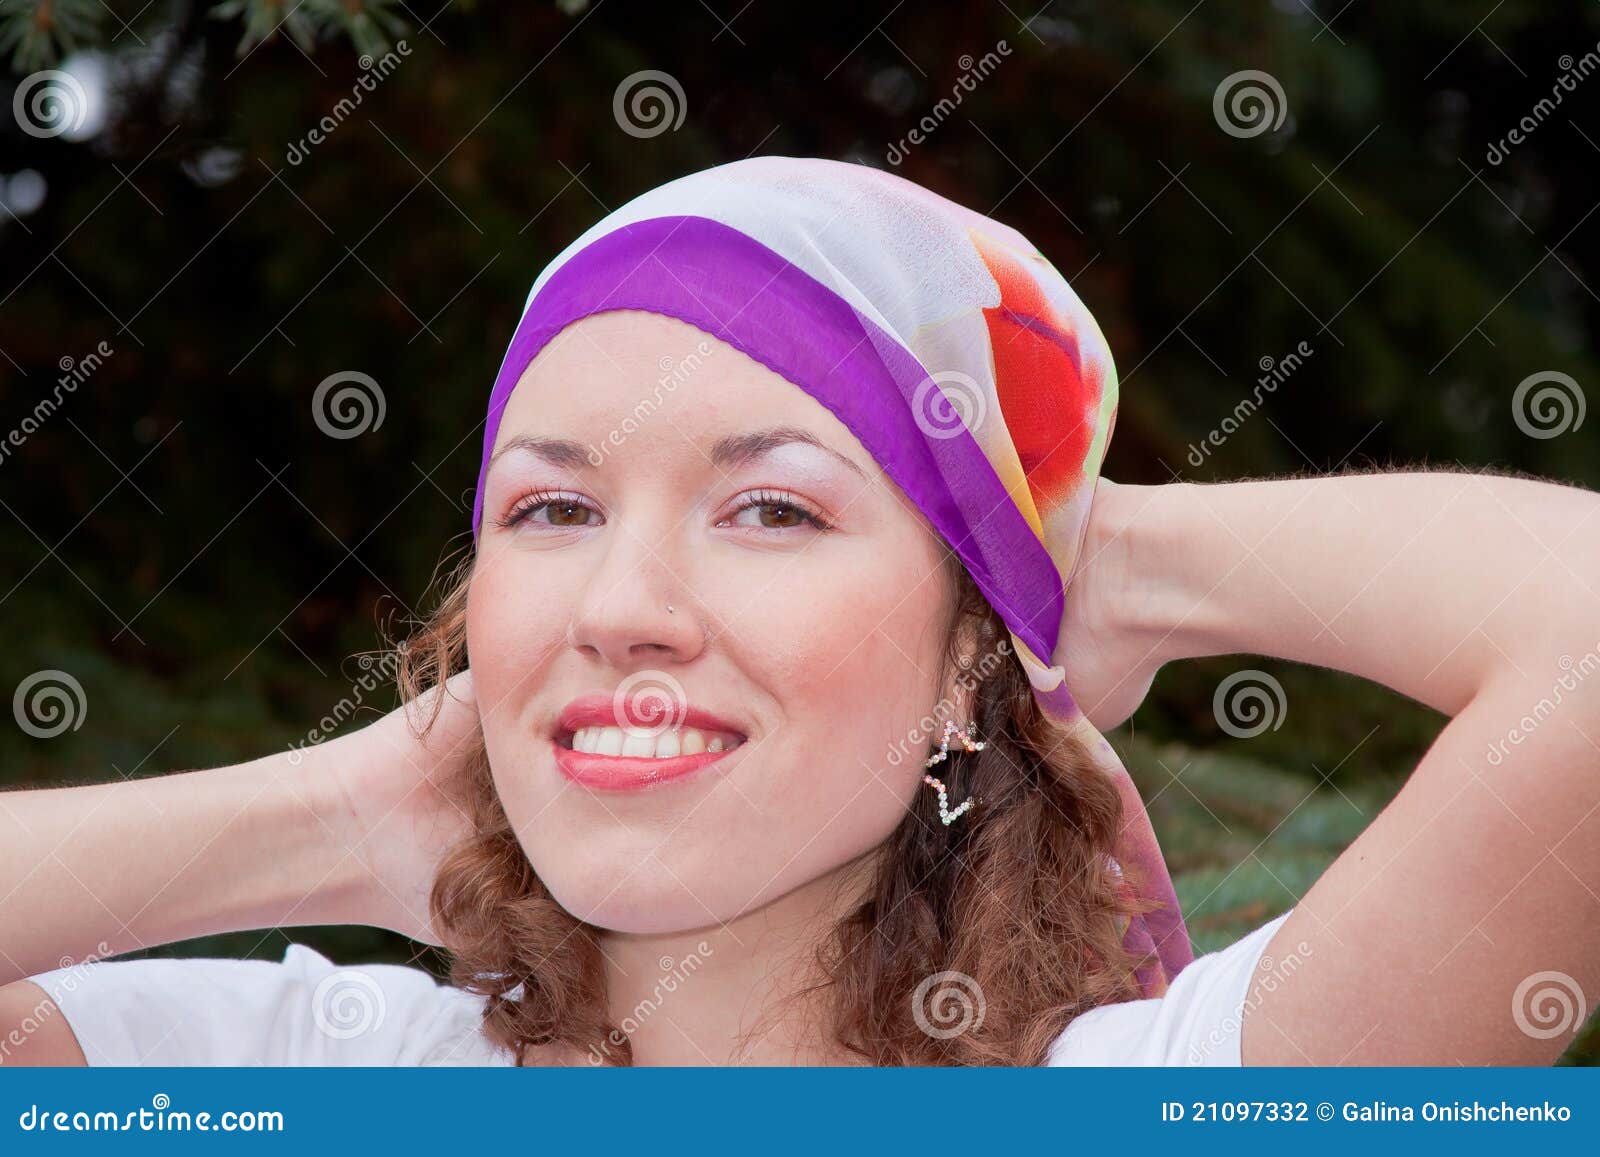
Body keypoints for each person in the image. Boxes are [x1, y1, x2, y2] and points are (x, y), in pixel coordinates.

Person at [3, 157, 1595, 1067]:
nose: (622, 604)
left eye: (773, 504)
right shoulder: (291, 1069)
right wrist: (341, 813)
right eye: (553, 508)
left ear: (971, 648)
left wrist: (1095, 568)